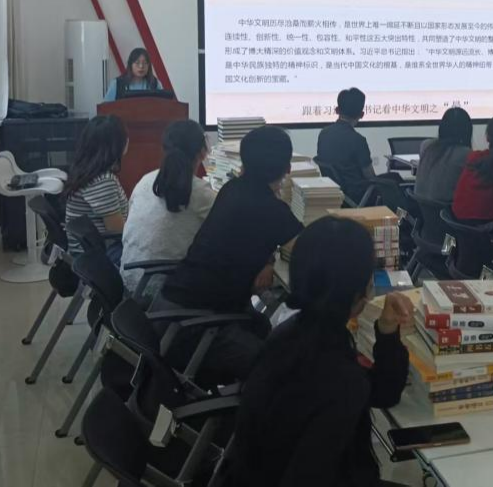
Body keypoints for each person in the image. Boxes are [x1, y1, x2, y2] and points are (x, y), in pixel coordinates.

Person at [228, 216, 413, 487]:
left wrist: (387, 330)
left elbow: (382, 392)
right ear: (357, 293)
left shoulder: (291, 333)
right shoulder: (338, 376)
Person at [161, 126, 303, 382]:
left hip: (173, 310)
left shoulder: (231, 189)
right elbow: (310, 252)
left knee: (263, 326)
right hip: (196, 329)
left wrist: (268, 260)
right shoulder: (272, 210)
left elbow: (246, 236)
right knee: (282, 371)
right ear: (287, 169)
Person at [120, 120, 215, 294]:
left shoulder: (146, 181)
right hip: (163, 291)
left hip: (130, 280)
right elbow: (230, 229)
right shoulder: (201, 192)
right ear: (203, 152)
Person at [64, 115, 129, 264]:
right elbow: (117, 231)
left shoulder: (86, 172)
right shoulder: (103, 180)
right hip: (101, 255)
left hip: (88, 253)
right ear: (115, 145)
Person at [316, 87, 375, 202]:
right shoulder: (358, 140)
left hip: (333, 192)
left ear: (337, 110)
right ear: (362, 114)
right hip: (358, 195)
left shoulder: (324, 134)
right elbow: (370, 176)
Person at [414, 107, 473, 202]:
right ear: (467, 130)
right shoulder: (466, 154)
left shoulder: (426, 146)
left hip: (421, 207)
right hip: (446, 208)